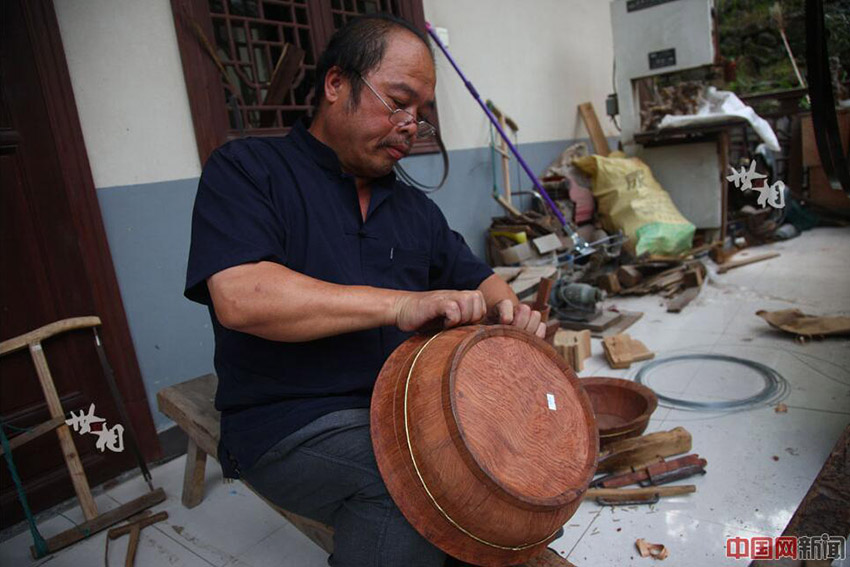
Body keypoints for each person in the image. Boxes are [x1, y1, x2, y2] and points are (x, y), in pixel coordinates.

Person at [185, 13, 545, 567]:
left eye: (421, 114)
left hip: (400, 408)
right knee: (412, 488)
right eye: (398, 101)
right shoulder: (249, 170)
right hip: (288, 422)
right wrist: (401, 304)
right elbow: (241, 295)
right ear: (336, 84)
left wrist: (511, 314)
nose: (410, 125)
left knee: (502, 474)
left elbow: (483, 279)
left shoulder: (412, 208)